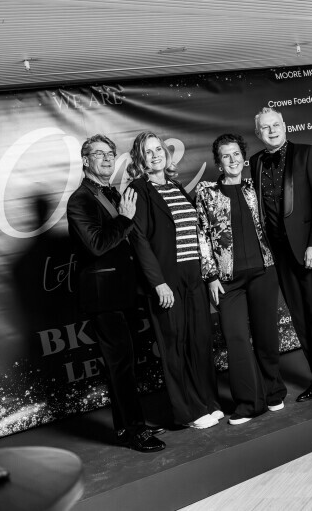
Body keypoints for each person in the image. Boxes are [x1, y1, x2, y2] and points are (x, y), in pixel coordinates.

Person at [66, 134, 166, 452]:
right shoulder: (80, 200)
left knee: (124, 364)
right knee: (120, 365)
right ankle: (136, 431)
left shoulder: (111, 192)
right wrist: (124, 217)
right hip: (103, 297)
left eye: (111, 153)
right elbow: (96, 245)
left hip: (124, 292)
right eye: (100, 154)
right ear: (85, 160)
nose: (108, 158)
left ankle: (125, 427)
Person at [126, 131, 222, 430]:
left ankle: (208, 402)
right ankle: (188, 412)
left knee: (199, 340)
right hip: (167, 278)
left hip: (193, 274)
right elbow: (139, 239)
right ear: (140, 159)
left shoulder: (176, 186)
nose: (155, 155)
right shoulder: (138, 190)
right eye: (148, 151)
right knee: (175, 345)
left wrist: (208, 274)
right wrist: (158, 283)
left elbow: (195, 231)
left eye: (159, 149)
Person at [196, 133, 287, 425]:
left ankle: (273, 392)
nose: (232, 160)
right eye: (226, 156)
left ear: (244, 158)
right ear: (218, 162)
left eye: (236, 154)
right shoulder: (206, 193)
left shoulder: (254, 187)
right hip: (227, 280)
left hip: (263, 272)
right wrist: (210, 276)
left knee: (266, 335)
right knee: (236, 339)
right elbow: (202, 236)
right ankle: (249, 403)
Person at [249, 107, 312, 409]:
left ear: (284, 126)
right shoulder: (256, 162)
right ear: (258, 133)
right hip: (280, 254)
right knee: (300, 317)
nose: (272, 130)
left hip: (309, 250)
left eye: (276, 125)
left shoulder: (308, 154)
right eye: (265, 127)